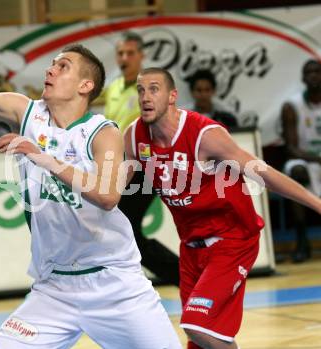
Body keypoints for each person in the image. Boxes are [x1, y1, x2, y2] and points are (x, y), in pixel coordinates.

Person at [0, 11, 182, 349]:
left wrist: (43, 158)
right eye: (52, 64)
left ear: (86, 86)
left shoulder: (102, 132)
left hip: (114, 285)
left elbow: (107, 195)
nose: (50, 70)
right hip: (54, 289)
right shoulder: (28, 113)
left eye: (62, 67)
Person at [124, 67, 321, 349]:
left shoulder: (205, 135)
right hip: (191, 248)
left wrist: (316, 203)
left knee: (195, 324)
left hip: (233, 240)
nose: (145, 96)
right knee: (202, 339)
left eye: (154, 89)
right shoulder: (134, 138)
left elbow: (263, 173)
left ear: (172, 96)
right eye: (141, 90)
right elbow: (111, 195)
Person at [104, 31, 180, 285]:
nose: (124, 58)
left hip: (144, 167)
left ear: (141, 56)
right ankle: (182, 276)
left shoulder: (148, 89)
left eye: (130, 53)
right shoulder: (113, 88)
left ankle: (182, 276)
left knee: (123, 229)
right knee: (125, 231)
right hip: (119, 168)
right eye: (120, 53)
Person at [281, 59, 321, 263]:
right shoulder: (292, 106)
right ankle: (302, 240)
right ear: (303, 78)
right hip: (306, 160)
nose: (314, 75)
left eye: (317, 71)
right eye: (310, 72)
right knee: (295, 171)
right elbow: (291, 148)